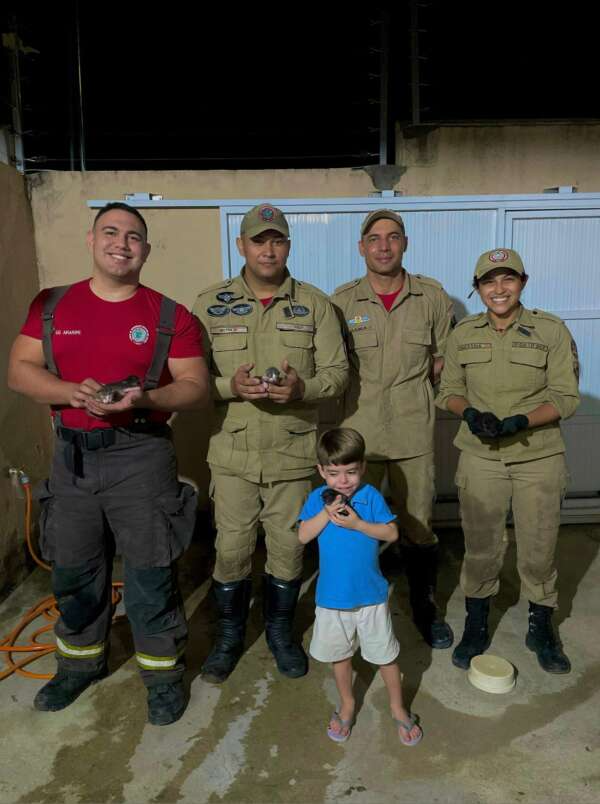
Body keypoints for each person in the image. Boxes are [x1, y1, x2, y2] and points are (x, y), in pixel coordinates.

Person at [8, 202, 210, 724]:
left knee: (150, 576)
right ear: (91, 239)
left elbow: (194, 388)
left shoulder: (170, 316)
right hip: (71, 459)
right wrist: (70, 392)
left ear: (146, 249)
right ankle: (79, 666)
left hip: (140, 457)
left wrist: (142, 399)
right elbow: (20, 372)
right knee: (74, 572)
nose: (122, 243)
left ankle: (163, 678)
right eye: (111, 232)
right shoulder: (52, 305)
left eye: (134, 236)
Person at [193, 203, 348, 683]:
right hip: (233, 454)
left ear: (288, 246)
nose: (268, 248)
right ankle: (229, 636)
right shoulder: (210, 304)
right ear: (241, 246)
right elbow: (190, 377)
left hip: (292, 455)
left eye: (277, 239)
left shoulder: (316, 305)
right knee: (232, 550)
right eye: (259, 240)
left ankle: (281, 632)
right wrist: (227, 388)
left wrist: (303, 389)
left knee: (287, 549)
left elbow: (338, 374)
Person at [436, 247, 580, 673]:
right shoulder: (462, 334)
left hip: (538, 454)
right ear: (478, 288)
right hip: (481, 454)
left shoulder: (550, 331)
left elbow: (566, 397)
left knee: (539, 546)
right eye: (488, 281)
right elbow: (448, 390)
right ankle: (477, 624)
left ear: (522, 282)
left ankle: (541, 627)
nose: (499, 289)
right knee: (482, 546)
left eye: (508, 279)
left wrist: (522, 421)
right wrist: (469, 413)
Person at [331, 209, 454, 649]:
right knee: (348, 522)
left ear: (405, 244)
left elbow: (444, 361)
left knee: (418, 525)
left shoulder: (432, 298)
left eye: (393, 237)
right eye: (375, 238)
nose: (384, 246)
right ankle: (346, 607)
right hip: (357, 435)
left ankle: (423, 606)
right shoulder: (341, 301)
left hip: (411, 436)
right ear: (361, 247)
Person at [298, 428, 423, 745]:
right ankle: (348, 703)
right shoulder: (317, 499)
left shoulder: (370, 497)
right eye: (334, 473)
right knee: (339, 656)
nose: (343, 481)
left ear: (363, 468)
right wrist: (326, 514)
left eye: (351, 472)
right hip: (332, 599)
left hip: (370, 597)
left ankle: (397, 707)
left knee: (385, 656)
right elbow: (302, 536)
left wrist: (357, 524)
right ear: (321, 471)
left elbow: (391, 534)